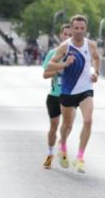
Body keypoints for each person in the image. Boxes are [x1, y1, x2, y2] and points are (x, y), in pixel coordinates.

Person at [50, 15, 101, 173]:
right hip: (68, 90)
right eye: (76, 28)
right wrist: (65, 63)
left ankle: (79, 157)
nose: (79, 31)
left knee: (88, 121)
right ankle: (63, 146)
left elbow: (97, 58)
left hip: (86, 89)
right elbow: (51, 64)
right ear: (71, 29)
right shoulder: (65, 46)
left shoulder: (90, 45)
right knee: (67, 124)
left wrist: (96, 73)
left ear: (86, 29)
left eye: (82, 28)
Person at [41, 23, 73, 169]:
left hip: (71, 95)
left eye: (70, 35)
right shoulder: (53, 53)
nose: (67, 37)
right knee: (54, 126)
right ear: (61, 35)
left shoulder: (76, 54)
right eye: (65, 34)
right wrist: (59, 70)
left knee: (69, 125)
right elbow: (45, 74)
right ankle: (49, 153)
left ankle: (62, 146)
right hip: (54, 95)